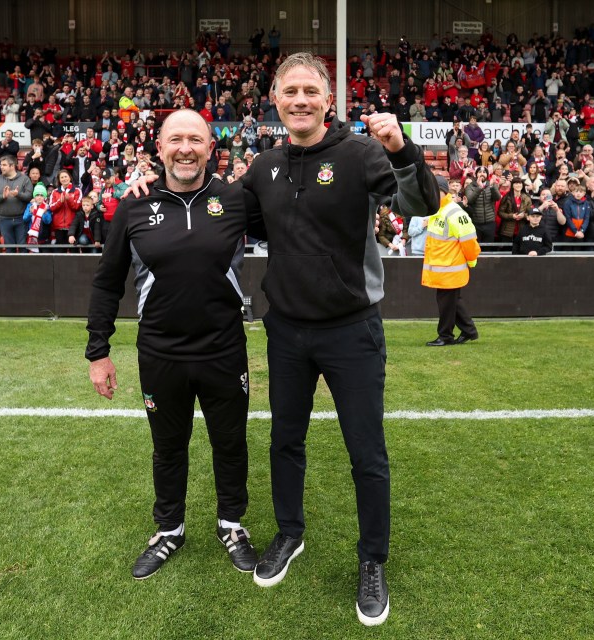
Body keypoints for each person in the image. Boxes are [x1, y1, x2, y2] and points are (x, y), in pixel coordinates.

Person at [239, 52, 438, 627]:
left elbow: (422, 203)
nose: (299, 100)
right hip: (287, 330)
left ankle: (372, 559)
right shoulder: (264, 166)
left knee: (367, 453)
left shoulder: (360, 153)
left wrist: (400, 147)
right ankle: (289, 533)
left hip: (352, 330)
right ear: (274, 100)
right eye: (289, 90)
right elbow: (232, 219)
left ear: (328, 100)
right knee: (285, 441)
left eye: (310, 91)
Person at [85, 109, 258, 581]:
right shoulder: (134, 206)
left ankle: (231, 524)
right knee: (167, 447)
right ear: (159, 149)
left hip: (224, 352)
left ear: (210, 148)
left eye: (195, 140)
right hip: (160, 354)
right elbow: (107, 284)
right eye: (176, 139)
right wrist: (97, 351)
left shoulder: (236, 200)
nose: (186, 148)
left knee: (230, 443)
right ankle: (169, 530)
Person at [423, 175, 481, 345]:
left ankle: (445, 336)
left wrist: (471, 261)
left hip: (450, 268)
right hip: (444, 269)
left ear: (443, 191)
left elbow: (469, 241)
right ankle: (469, 331)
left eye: (434, 190)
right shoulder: (438, 210)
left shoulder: (453, 212)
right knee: (452, 302)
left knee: (446, 304)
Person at [0, 155, 33, 252]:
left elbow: (29, 197)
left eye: (4, 165)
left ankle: (23, 267)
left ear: (12, 166)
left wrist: (18, 194)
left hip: (21, 219)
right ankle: (11, 267)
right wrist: (2, 196)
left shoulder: (24, 179)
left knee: (23, 247)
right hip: (4, 219)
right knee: (9, 248)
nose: (1, 167)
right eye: (1, 165)